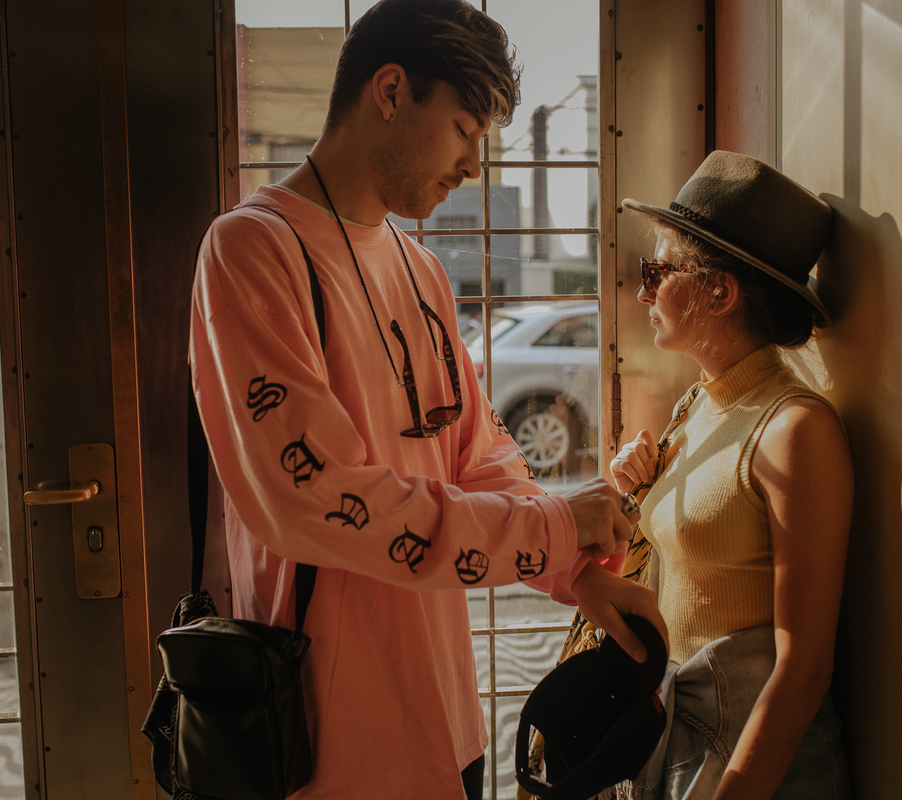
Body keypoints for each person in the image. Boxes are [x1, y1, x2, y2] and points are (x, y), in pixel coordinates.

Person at [188, 1, 663, 798]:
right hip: (326, 734)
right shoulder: (251, 248)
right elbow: (313, 496)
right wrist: (549, 526)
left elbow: (479, 456)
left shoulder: (421, 269)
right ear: (390, 89)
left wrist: (575, 571)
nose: (474, 164)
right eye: (466, 130)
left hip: (447, 718)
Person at [608, 151, 854, 799]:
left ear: (720, 291)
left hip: (761, 768)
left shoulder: (794, 429)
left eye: (657, 271)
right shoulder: (700, 404)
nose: (643, 292)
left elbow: (805, 667)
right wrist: (636, 485)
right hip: (687, 747)